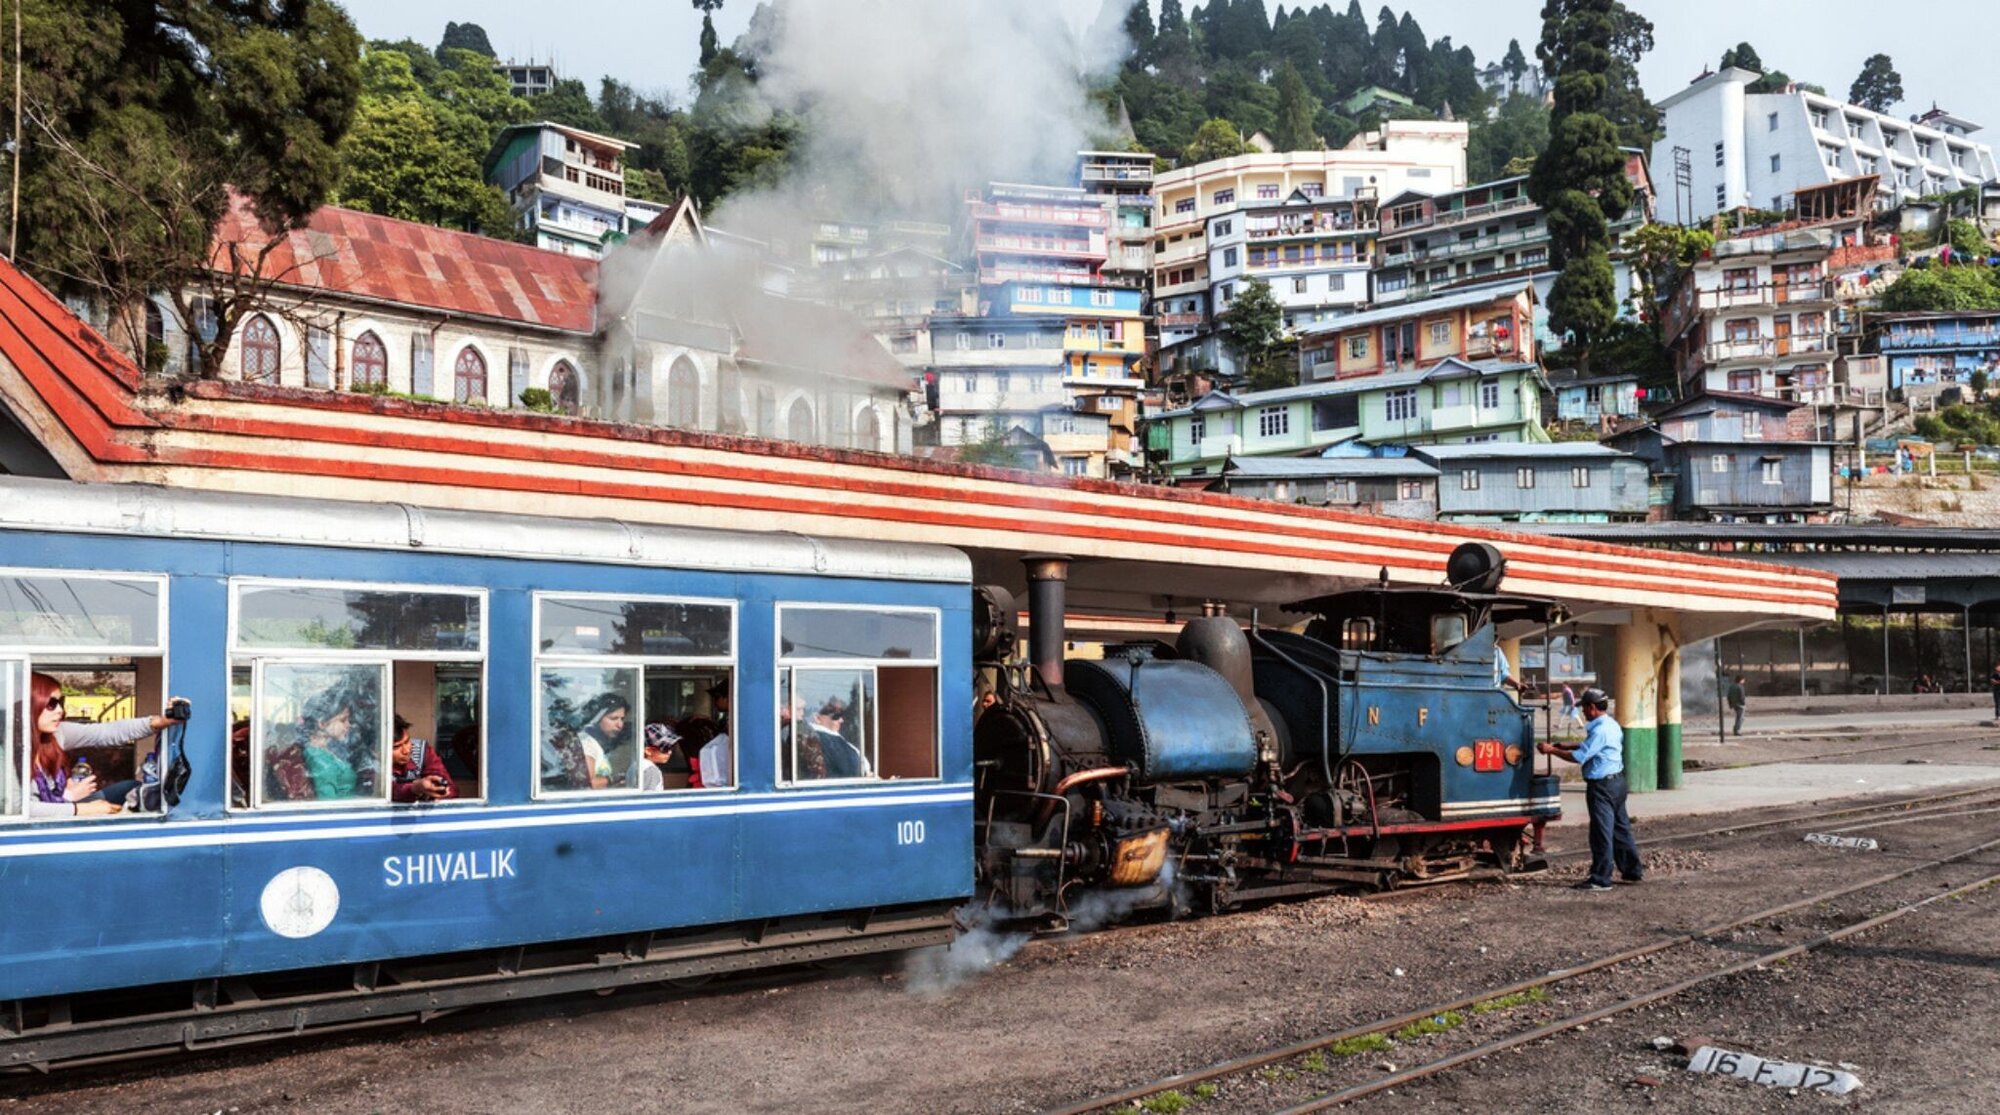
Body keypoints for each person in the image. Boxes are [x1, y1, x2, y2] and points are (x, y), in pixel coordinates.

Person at [22, 672, 189, 818]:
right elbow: (21, 809)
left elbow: (106, 732)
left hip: (63, 804)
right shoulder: (10, 751)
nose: (60, 710)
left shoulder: (57, 734)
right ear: (29, 706)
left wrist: (160, 721)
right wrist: (78, 807)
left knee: (131, 788)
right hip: (48, 817)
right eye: (51, 704)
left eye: (61, 702)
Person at [1536, 686, 1642, 891]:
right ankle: (1632, 870)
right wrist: (1566, 745)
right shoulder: (1611, 725)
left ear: (1592, 707)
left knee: (1601, 832)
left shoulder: (1600, 730)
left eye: (1584, 708)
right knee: (1621, 829)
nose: (1583, 712)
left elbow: (1579, 757)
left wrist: (1552, 750)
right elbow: (1591, 747)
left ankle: (1600, 879)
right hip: (1617, 783)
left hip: (1602, 786)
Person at [390, 714, 453, 803]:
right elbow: (386, 792)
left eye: (407, 741)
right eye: (396, 747)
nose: (406, 750)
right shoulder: (368, 764)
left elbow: (450, 788)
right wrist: (415, 788)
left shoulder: (422, 750)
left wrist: (438, 790)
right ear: (376, 751)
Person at [574, 692, 629, 789]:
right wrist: (615, 779)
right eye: (613, 718)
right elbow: (587, 783)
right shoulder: (587, 743)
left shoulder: (598, 743)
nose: (620, 725)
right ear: (597, 718)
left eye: (622, 719)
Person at [810, 698, 871, 779]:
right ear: (817, 718)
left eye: (842, 715)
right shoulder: (822, 739)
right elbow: (851, 770)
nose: (841, 720)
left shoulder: (833, 737)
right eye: (836, 716)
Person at [633, 723, 678, 792]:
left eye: (672, 747)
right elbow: (648, 799)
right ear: (648, 751)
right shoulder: (651, 770)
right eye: (665, 748)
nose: (670, 752)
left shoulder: (636, 765)